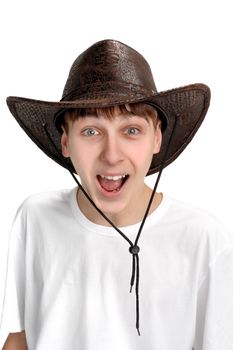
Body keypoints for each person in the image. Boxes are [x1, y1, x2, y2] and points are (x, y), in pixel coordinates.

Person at [1, 39, 233, 350]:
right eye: (91, 132)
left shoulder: (202, 238)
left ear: (157, 138)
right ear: (65, 142)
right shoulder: (36, 217)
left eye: (132, 130)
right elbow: (18, 340)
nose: (112, 155)